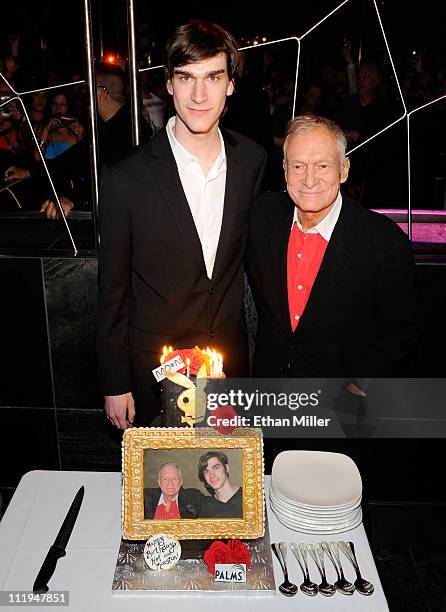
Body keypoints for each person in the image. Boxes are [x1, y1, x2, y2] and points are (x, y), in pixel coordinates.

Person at [97, 20, 266, 429]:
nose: (199, 94)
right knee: (160, 488)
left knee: (223, 484)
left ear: (230, 84)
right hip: (154, 372)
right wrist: (115, 382)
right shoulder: (127, 178)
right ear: (169, 85)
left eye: (213, 77)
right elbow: (112, 290)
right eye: (186, 77)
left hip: (229, 368)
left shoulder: (252, 161)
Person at [246, 115, 421, 380]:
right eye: (298, 166)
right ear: (284, 169)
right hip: (269, 396)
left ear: (344, 169)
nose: (309, 180)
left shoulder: (383, 241)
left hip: (342, 407)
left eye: (323, 166)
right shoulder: (261, 217)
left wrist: (361, 385)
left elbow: (402, 329)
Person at [198, 451, 242, 518]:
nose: (212, 475)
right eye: (206, 472)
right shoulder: (206, 507)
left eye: (216, 468)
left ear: (226, 468)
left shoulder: (249, 497)